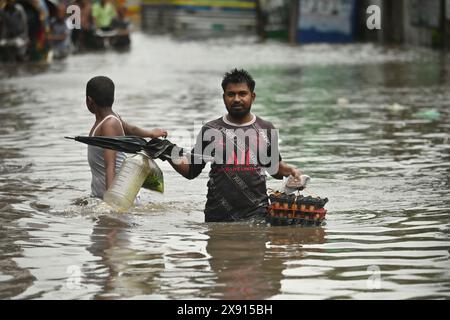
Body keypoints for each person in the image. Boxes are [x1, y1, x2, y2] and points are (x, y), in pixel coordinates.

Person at [167, 69, 302, 222]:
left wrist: (291, 170)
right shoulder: (211, 129)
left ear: (253, 96)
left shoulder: (266, 129)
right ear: (224, 98)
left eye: (242, 94)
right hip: (217, 217)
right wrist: (168, 153)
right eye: (231, 94)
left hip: (258, 215)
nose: (236, 99)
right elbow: (191, 170)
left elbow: (275, 169)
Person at [86, 76, 168, 200]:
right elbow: (131, 130)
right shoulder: (109, 120)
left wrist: (111, 205)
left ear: (89, 100)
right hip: (101, 196)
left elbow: (110, 165)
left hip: (119, 199)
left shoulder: (109, 124)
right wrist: (150, 133)